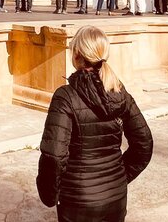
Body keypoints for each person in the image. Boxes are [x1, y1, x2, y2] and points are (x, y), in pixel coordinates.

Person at [36, 26, 153, 222]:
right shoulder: (119, 91)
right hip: (115, 197)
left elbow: (54, 155)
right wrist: (118, 177)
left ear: (76, 55)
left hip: (78, 199)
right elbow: (144, 143)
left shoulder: (65, 96)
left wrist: (49, 195)